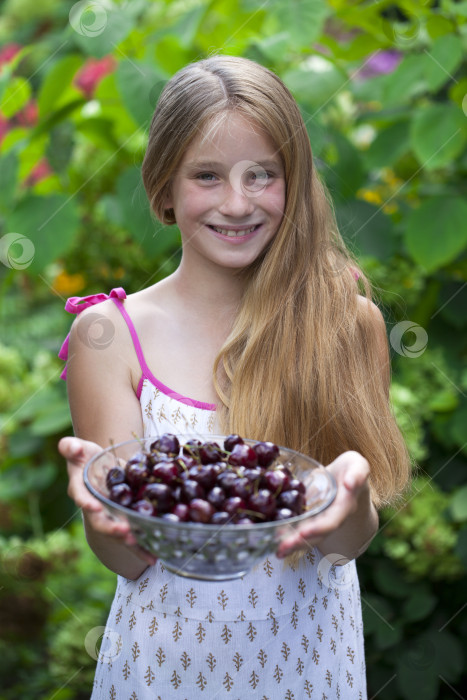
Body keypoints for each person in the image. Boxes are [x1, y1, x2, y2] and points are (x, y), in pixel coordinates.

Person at [58, 54, 410, 699]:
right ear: (164, 189)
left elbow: (343, 547)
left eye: (262, 175)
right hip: (166, 671)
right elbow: (128, 559)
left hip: (308, 665)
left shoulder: (345, 325)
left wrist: (350, 503)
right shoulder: (110, 337)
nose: (238, 202)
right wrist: (103, 518)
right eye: (208, 176)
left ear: (293, 182)